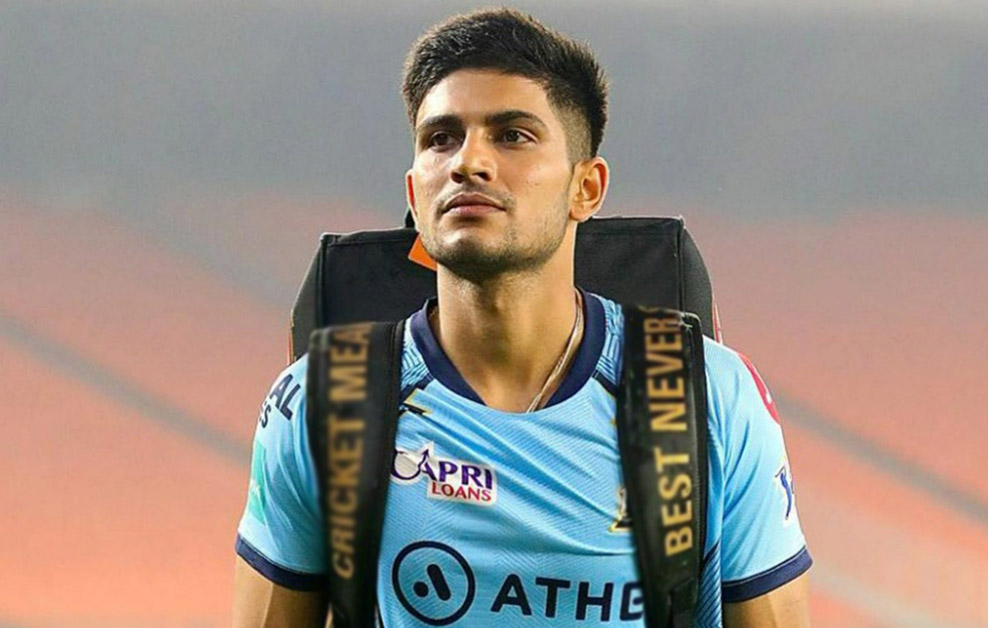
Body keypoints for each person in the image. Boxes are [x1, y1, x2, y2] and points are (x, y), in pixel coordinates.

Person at [233, 8, 811, 627]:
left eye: (512, 135)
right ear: (414, 194)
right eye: (441, 138)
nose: (467, 162)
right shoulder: (321, 398)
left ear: (586, 189)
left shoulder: (714, 396)